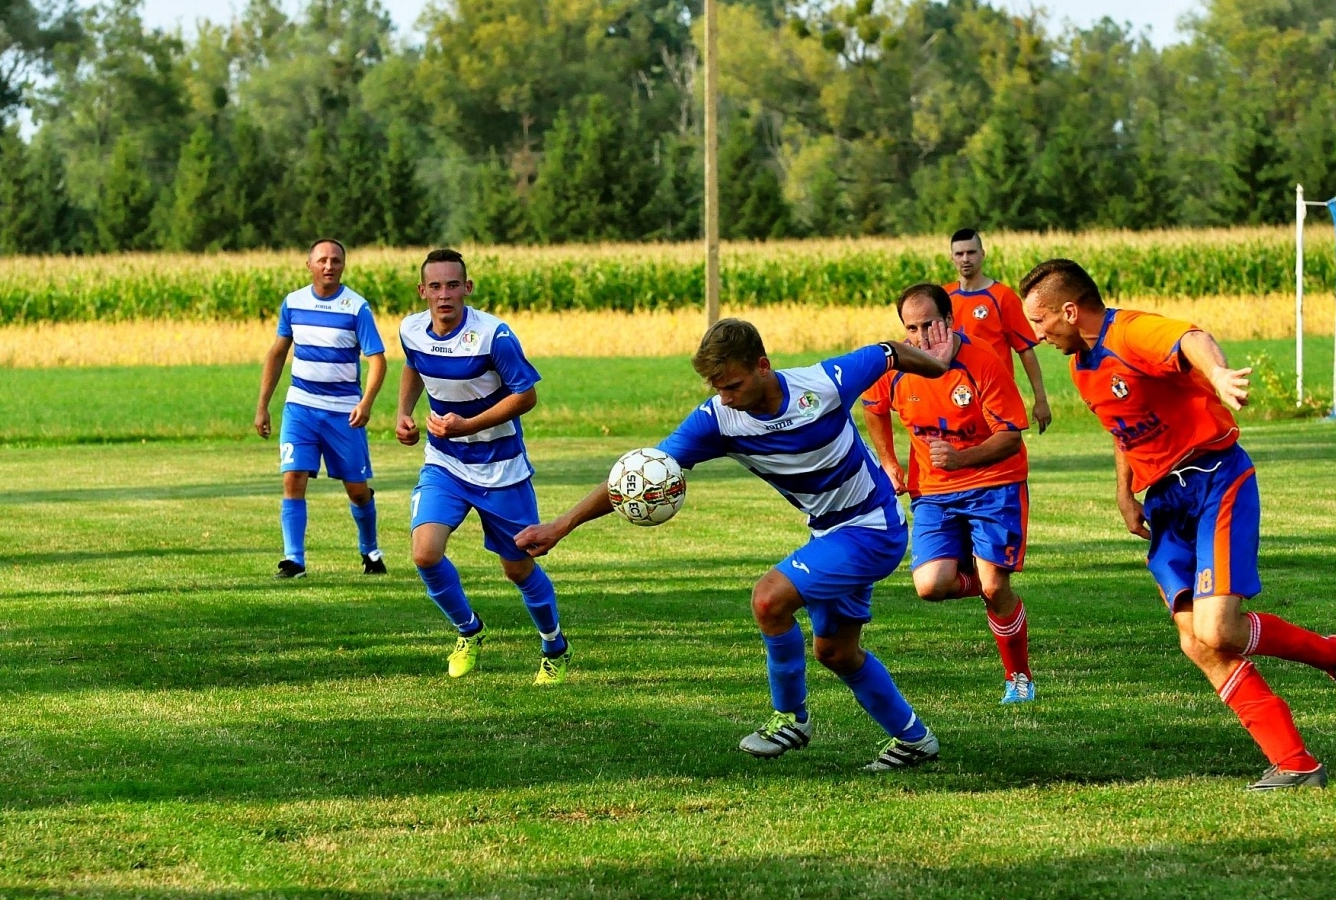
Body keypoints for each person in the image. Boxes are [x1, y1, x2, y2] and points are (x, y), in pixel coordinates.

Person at [516, 318, 953, 771]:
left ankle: (790, 718)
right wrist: (562, 525)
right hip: (828, 531)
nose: (725, 397)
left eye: (734, 385)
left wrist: (938, 366)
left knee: (769, 600)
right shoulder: (719, 419)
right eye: (718, 387)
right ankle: (914, 740)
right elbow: (639, 475)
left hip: (872, 527)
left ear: (763, 366)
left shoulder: (823, 383)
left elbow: (889, 351)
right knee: (836, 652)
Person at [1018, 258, 1336, 791]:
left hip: (1214, 480)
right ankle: (1295, 763)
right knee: (1196, 641)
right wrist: (1124, 492)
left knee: (1219, 630)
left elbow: (1192, 338)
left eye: (1041, 321)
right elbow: (1122, 429)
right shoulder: (1082, 365)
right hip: (1165, 501)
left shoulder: (1131, 331)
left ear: (1070, 310)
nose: (1037, 333)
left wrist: (1219, 375)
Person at [394, 249, 571, 683]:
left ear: (467, 288)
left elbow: (525, 395)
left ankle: (554, 645)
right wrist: (404, 413)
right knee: (425, 552)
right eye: (434, 286)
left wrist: (468, 424)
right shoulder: (410, 330)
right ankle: (468, 630)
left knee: (518, 567)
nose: (444, 294)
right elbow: (413, 366)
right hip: (446, 463)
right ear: (423, 292)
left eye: (453, 285)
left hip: (501, 469)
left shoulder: (495, 336)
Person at [863, 283, 1036, 705]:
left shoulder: (982, 362)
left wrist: (962, 458)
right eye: (911, 327)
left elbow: (1010, 437)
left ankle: (1020, 678)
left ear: (951, 320)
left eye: (929, 325)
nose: (920, 337)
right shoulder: (897, 364)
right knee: (930, 586)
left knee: (995, 588)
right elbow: (872, 406)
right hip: (934, 492)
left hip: (994, 484)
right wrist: (889, 462)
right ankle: (994, 584)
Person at [254, 238, 386, 578]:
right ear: (309, 264)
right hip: (301, 407)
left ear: (344, 266)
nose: (329, 266)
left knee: (357, 491)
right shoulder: (293, 303)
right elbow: (277, 353)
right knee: (293, 479)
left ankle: (370, 551)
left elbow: (377, 360)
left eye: (336, 261)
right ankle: (294, 560)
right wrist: (263, 406)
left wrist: (366, 403)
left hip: (344, 412)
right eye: (323, 260)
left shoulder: (357, 307)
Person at [947, 227, 1052, 433]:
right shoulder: (943, 296)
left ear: (982, 254)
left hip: (993, 394)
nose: (965, 259)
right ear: (952, 258)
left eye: (971, 252)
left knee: (1000, 454)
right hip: (953, 394)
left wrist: (1041, 400)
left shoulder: (1002, 296)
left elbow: (1025, 350)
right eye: (959, 254)